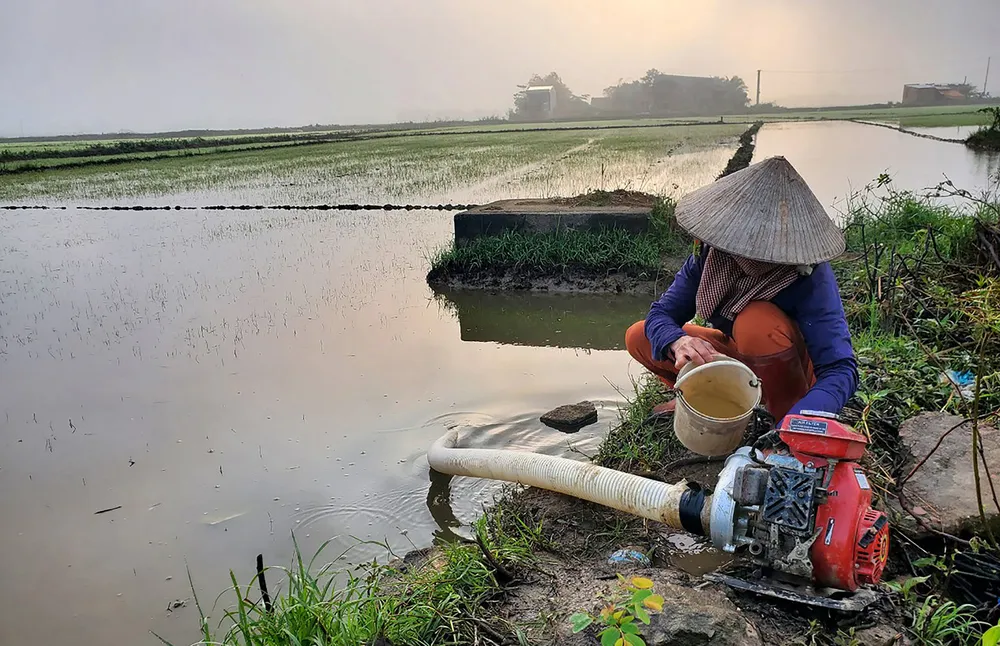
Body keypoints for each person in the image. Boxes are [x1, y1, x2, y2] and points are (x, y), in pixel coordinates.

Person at [625, 156, 858, 421]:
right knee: (640, 336)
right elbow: (662, 314)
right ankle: (702, 398)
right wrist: (679, 342)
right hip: (741, 356)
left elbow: (840, 369)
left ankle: (779, 415)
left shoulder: (808, 272)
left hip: (791, 370)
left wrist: (800, 421)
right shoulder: (712, 254)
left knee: (755, 322)